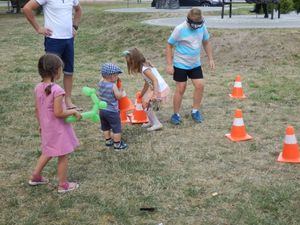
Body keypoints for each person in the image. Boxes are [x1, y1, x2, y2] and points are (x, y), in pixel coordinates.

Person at [29, 53, 81, 193]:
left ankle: (35, 176)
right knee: (62, 155)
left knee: (47, 151)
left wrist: (41, 124)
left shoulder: (38, 87)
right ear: (56, 71)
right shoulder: (57, 90)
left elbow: (37, 109)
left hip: (47, 127)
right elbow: (58, 113)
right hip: (58, 129)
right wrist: (73, 111)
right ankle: (63, 185)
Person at [23, 0, 82, 110]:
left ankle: (68, 100)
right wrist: (38, 28)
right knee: (50, 71)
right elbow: (27, 8)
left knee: (69, 71)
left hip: (68, 40)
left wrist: (75, 26)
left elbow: (78, 10)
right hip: (53, 40)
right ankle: (49, 99)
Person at [166, 8, 215, 125]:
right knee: (181, 88)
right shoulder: (180, 29)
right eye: (194, 24)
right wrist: (169, 64)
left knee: (200, 85)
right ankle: (175, 114)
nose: (196, 27)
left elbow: (206, 42)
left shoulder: (202, 26)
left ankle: (195, 110)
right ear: (188, 20)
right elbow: (169, 45)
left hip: (195, 63)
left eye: (198, 24)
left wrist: (211, 58)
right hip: (180, 64)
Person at [98, 63, 128, 151]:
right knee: (116, 128)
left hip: (102, 110)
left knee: (105, 127)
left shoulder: (100, 83)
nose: (117, 77)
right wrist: (121, 90)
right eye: (116, 75)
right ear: (111, 77)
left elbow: (104, 77)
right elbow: (118, 97)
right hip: (112, 111)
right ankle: (117, 145)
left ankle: (108, 141)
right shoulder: (113, 86)